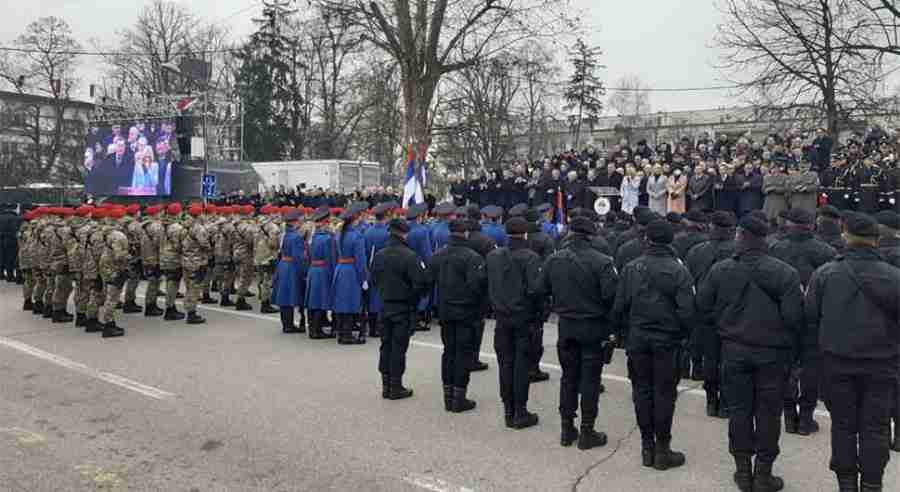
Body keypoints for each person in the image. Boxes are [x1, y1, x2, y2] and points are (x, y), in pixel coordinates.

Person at [697, 215, 803, 492]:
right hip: (772, 354)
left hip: (734, 350)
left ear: (742, 236)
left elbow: (703, 306)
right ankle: (763, 474)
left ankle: (743, 472)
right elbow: (794, 319)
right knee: (768, 413)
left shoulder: (721, 270)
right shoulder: (785, 273)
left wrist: (723, 327)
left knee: (739, 412)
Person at [806, 212, 900, 492]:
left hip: (837, 362)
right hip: (882, 363)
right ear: (876, 240)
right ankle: (872, 485)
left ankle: (846, 485)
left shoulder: (825, 273)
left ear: (845, 236)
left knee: (843, 426)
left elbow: (811, 317)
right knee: (876, 428)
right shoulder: (895, 277)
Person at [612, 219, 694, 470]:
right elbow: (688, 312)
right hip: (666, 341)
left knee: (642, 392)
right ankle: (661, 449)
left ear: (647, 239)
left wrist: (621, 334)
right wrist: (684, 335)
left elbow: (619, 307)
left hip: (638, 339)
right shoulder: (679, 270)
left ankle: (647, 447)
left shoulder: (631, 268)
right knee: (664, 395)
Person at [539, 216, 619, 450]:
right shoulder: (602, 261)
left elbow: (541, 288)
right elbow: (610, 296)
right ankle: (586, 431)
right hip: (592, 327)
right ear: (591, 236)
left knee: (568, 378)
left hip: (566, 325)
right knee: (590, 381)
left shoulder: (555, 259)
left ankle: (567, 429)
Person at [769, 208, 837, 436]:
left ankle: (789, 416)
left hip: (782, 317)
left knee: (786, 366)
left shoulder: (775, 248)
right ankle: (806, 418)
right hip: (813, 318)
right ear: (812, 224)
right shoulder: (826, 251)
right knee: (810, 368)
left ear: (789, 224)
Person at [486, 217, 543, 429]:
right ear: (525, 234)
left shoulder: (493, 256)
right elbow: (536, 290)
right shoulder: (530, 257)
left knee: (505, 365)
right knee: (521, 366)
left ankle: (508, 410)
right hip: (523, 319)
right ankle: (519, 411)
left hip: (501, 318)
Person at [429, 218, 487, 413]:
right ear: (467, 234)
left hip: (445, 310)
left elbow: (428, 280)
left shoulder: (438, 255)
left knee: (448, 352)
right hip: (466, 312)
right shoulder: (472, 257)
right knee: (462, 353)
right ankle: (459, 397)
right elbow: (477, 286)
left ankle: (448, 397)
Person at [370, 218, 430, 400]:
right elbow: (420, 283)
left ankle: (386, 385)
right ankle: (395, 386)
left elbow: (373, 277)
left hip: (384, 304)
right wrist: (414, 299)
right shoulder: (410, 256)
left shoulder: (379, 255)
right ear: (404, 234)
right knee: (398, 347)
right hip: (403, 307)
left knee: (385, 345)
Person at [685, 211, 737, 416]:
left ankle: (711, 400)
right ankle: (724, 402)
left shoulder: (696, 251)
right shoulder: (736, 251)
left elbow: (688, 284)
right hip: (731, 313)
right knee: (728, 360)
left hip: (704, 312)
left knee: (710, 359)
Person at [333, 202, 369, 345]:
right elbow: (361, 261)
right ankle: (346, 335)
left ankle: (342, 332)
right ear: (356, 218)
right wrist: (364, 278)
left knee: (342, 302)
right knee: (349, 302)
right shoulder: (357, 236)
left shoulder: (339, 234)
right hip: (351, 271)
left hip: (340, 268)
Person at [273, 208, 308, 334]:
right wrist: (304, 272)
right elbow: (299, 258)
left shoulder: (285, 234)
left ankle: (286, 323)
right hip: (291, 267)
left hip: (283, 265)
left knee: (284, 296)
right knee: (289, 296)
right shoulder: (296, 237)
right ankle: (289, 325)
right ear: (296, 221)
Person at [364, 202, 396, 338]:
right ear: (387, 215)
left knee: (372, 296)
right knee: (381, 297)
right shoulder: (387, 233)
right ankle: (379, 326)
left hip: (370, 267)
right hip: (384, 268)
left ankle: (371, 326)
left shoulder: (368, 231)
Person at [98, 208, 131, 338]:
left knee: (108, 296)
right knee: (112, 298)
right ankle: (108, 325)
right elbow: (119, 256)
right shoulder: (118, 235)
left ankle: (108, 321)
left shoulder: (105, 231)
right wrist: (129, 255)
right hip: (114, 267)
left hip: (105, 265)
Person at [305, 206, 336, 339]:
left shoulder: (313, 237)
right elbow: (331, 259)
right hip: (323, 270)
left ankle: (312, 327)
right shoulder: (328, 239)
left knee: (313, 300)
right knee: (320, 300)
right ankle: (316, 330)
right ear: (326, 222)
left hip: (313, 270)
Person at [181, 205, 212, 325]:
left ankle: (188, 308)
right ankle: (191, 313)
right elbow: (204, 244)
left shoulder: (182, 226)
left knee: (189, 286)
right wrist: (209, 250)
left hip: (185, 260)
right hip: (197, 261)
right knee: (194, 288)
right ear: (199, 215)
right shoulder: (199, 228)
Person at [160, 203, 186, 321]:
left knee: (170, 282)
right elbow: (179, 245)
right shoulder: (177, 227)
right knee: (173, 283)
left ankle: (171, 306)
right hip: (174, 258)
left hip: (164, 256)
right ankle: (170, 309)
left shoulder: (161, 225)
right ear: (178, 213)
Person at [254, 205, 282, 314]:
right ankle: (265, 304)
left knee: (261, 280)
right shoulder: (272, 227)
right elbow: (274, 244)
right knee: (268, 281)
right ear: (270, 213)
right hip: (268, 257)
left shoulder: (256, 225)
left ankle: (263, 299)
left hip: (259, 256)